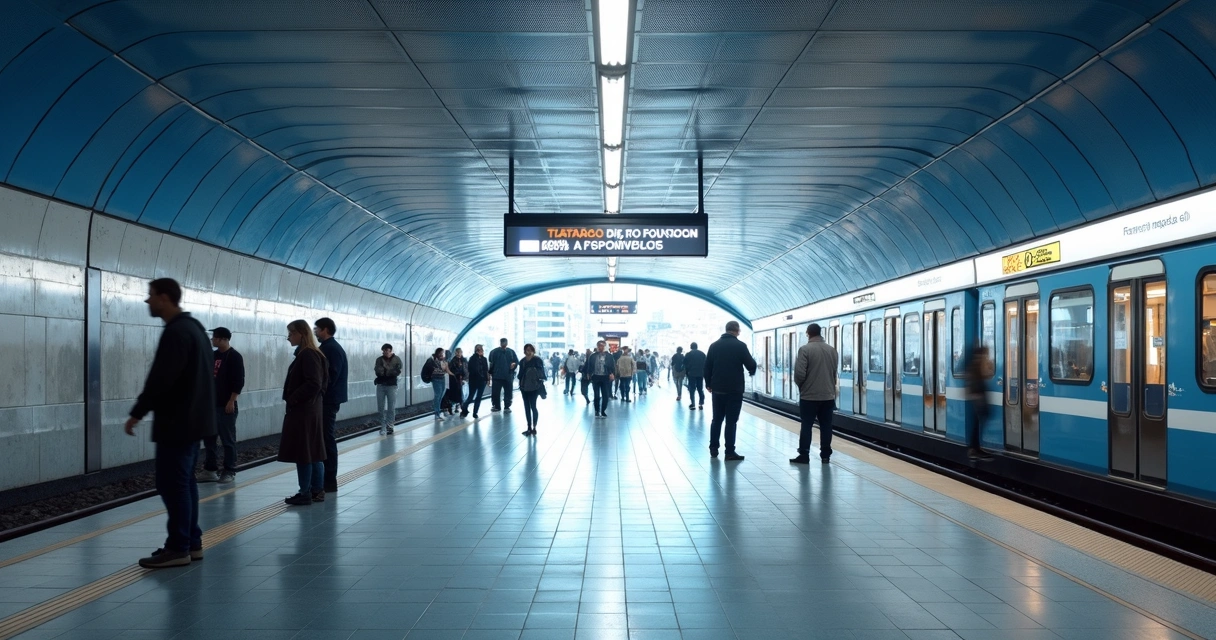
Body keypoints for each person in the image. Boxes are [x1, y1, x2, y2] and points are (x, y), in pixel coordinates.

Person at [125, 278, 215, 569]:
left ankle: (178, 547)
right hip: (193, 421)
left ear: (164, 297)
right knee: (184, 483)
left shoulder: (177, 332)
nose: (147, 301)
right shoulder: (195, 328)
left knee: (171, 485)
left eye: (150, 295)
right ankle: (192, 543)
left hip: (178, 422)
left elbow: (161, 379)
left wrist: (137, 412)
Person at [280, 319, 329, 506]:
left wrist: (293, 398)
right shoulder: (313, 353)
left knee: (304, 453)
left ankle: (305, 492)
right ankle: (317, 489)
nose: (289, 337)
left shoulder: (307, 354)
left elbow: (314, 383)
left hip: (304, 411)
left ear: (302, 334)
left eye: (291, 333)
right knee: (313, 451)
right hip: (310, 409)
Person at [704, 321, 757, 461]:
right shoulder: (740, 346)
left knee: (716, 420)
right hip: (734, 390)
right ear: (737, 331)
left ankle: (713, 449)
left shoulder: (714, 346)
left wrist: (708, 384)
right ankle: (729, 452)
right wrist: (752, 370)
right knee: (731, 421)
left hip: (717, 390)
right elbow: (751, 364)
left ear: (726, 329)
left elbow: (707, 367)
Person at [199, 327, 243, 484]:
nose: (212, 340)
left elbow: (239, 381)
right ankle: (210, 470)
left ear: (223, 339)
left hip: (225, 405)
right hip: (210, 406)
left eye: (215, 337)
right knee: (209, 440)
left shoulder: (234, 356)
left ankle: (229, 470)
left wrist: (232, 400)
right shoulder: (213, 355)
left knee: (227, 440)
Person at [790, 323, 839, 464]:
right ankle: (825, 455)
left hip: (809, 396)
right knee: (826, 426)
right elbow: (834, 372)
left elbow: (799, 374)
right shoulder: (832, 350)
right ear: (820, 333)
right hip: (828, 396)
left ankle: (804, 454)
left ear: (808, 333)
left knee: (806, 425)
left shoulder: (805, 350)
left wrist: (802, 387)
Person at [313, 317, 346, 494]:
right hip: (327, 399)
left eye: (317, 329)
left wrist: (318, 391)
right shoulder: (329, 347)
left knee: (326, 438)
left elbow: (331, 375)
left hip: (328, 400)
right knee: (325, 437)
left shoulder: (331, 349)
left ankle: (329, 479)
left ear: (325, 329)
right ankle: (325, 479)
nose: (315, 332)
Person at [966, 345, 994, 460]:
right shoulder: (977, 364)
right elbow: (976, 381)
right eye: (985, 353)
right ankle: (973, 449)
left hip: (979, 396)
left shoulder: (976, 364)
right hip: (978, 397)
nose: (986, 355)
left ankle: (975, 448)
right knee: (977, 422)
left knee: (978, 422)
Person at [518, 344, 547, 435]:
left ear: (533, 351)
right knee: (527, 407)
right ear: (524, 351)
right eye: (527, 350)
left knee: (533, 406)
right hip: (524, 387)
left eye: (530, 350)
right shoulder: (522, 361)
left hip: (534, 387)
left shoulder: (537, 360)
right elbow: (520, 374)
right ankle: (529, 427)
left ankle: (534, 427)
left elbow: (542, 374)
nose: (529, 351)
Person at [374, 343, 402, 435]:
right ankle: (383, 426)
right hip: (381, 385)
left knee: (391, 407)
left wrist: (386, 371)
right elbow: (378, 371)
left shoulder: (397, 359)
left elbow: (397, 371)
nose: (385, 352)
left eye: (386, 350)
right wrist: (389, 371)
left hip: (392, 386)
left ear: (391, 351)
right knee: (380, 407)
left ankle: (389, 425)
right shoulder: (379, 359)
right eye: (383, 350)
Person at [488, 338, 519, 413]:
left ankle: (501, 406)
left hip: (501, 376)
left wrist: (514, 364)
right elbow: (491, 363)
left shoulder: (494, 352)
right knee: (502, 392)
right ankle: (503, 406)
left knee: (501, 392)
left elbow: (516, 361)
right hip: (503, 376)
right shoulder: (509, 352)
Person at [586, 341, 615, 418]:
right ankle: (597, 410)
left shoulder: (609, 356)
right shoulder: (593, 356)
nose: (601, 347)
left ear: (605, 346)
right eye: (599, 346)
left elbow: (612, 366)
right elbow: (589, 366)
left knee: (605, 395)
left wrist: (612, 374)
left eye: (602, 346)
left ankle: (603, 410)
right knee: (596, 395)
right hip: (596, 377)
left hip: (605, 377)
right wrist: (588, 373)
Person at [422, 348, 449, 419]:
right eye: (441, 353)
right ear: (437, 353)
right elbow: (432, 369)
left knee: (441, 396)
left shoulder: (443, 360)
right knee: (437, 396)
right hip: (436, 379)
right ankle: (437, 414)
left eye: (443, 353)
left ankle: (438, 412)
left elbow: (445, 369)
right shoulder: (432, 360)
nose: (442, 354)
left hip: (442, 378)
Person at [463, 344, 489, 418]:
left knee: (479, 397)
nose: (482, 351)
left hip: (482, 381)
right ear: (477, 351)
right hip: (474, 381)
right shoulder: (472, 359)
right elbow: (471, 369)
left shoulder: (484, 359)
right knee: (471, 396)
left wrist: (487, 379)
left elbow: (486, 370)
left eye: (482, 350)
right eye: (480, 350)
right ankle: (464, 407)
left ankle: (475, 413)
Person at [684, 342, 707, 410]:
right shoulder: (702, 354)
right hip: (700, 373)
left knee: (692, 389)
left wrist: (687, 372)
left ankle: (693, 404)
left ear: (691, 347)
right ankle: (701, 403)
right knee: (700, 389)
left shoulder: (688, 354)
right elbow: (706, 363)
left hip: (691, 374)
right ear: (697, 347)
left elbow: (685, 363)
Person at [446, 347, 467, 415]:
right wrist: (458, 374)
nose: (458, 354)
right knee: (456, 394)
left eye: (459, 352)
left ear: (461, 352)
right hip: (455, 380)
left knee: (460, 393)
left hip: (461, 379)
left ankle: (459, 407)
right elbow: (452, 370)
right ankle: (456, 407)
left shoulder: (464, 360)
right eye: (457, 353)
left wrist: (464, 377)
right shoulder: (453, 360)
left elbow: (466, 369)